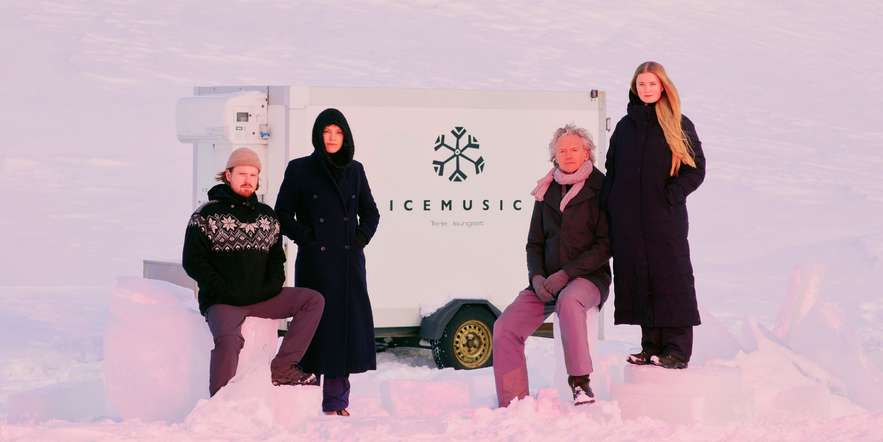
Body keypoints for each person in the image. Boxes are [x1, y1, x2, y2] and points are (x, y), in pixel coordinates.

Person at [182, 147, 325, 397]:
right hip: (223, 300)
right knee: (229, 342)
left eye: (253, 175)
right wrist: (224, 289)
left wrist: (270, 287)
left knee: (313, 301)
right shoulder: (205, 214)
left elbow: (276, 258)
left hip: (263, 296)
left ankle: (283, 367)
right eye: (242, 174)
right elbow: (193, 261)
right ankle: (219, 403)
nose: (248, 180)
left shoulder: (267, 216)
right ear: (228, 175)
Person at [492, 124, 611, 407]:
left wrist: (567, 274)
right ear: (554, 156)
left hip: (588, 278)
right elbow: (534, 243)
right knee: (504, 327)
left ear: (587, 152)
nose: (568, 155)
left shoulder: (602, 188)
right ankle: (513, 402)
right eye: (562, 151)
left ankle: (580, 383)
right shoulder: (547, 189)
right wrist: (536, 278)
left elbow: (606, 244)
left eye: (574, 149)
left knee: (569, 301)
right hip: (546, 282)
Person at [275, 108, 380, 416]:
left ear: (345, 136)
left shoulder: (355, 170)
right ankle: (306, 401)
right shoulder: (299, 169)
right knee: (315, 328)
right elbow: (282, 213)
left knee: (342, 331)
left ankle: (336, 402)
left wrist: (358, 240)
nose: (332, 138)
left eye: (338, 132)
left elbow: (371, 213)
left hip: (348, 263)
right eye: (326, 132)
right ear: (318, 136)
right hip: (315, 262)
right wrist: (307, 237)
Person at [602, 61, 706, 369]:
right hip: (630, 221)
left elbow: (696, 169)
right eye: (641, 84)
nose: (646, 89)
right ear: (635, 87)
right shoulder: (624, 126)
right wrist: (611, 203)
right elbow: (612, 168)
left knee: (670, 278)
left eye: (652, 84)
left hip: (664, 220)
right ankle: (651, 346)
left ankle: (677, 349)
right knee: (639, 278)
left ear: (663, 86)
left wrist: (671, 195)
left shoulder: (678, 123)